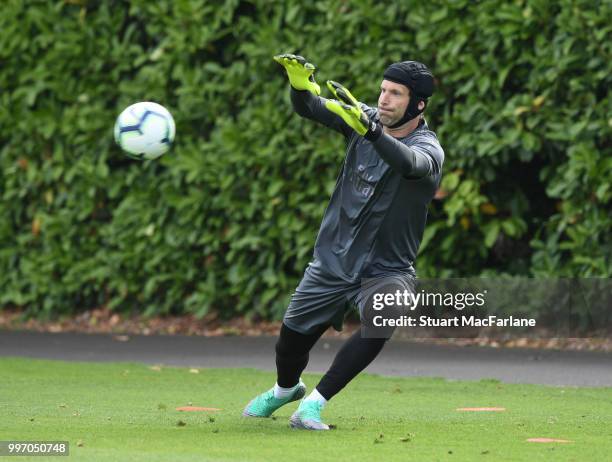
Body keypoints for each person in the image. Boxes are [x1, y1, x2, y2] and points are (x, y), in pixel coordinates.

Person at [242, 54, 444, 430]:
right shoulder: (362, 118)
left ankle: (314, 405)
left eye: (395, 94)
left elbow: (411, 165)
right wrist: (300, 86)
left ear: (418, 104)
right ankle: (287, 390)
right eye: (383, 90)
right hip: (333, 262)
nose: (383, 99)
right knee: (289, 347)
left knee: (386, 313)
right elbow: (311, 108)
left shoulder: (428, 146)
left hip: (388, 268)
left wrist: (373, 133)